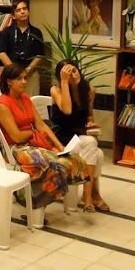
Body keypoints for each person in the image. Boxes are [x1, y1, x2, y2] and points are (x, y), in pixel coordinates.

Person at [0, 64, 89, 209]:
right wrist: (31, 133)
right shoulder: (2, 104)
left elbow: (41, 125)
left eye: (25, 78)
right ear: (8, 81)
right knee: (54, 163)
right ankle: (34, 202)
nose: (24, 82)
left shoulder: (25, 98)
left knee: (72, 159)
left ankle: (41, 201)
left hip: (32, 143)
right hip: (14, 148)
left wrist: (59, 146)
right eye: (19, 79)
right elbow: (17, 137)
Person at [50, 60, 109, 212]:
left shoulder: (89, 89)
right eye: (68, 73)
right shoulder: (56, 90)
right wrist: (64, 82)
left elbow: (89, 115)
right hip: (63, 137)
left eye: (75, 70)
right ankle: (90, 196)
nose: (74, 75)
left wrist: (90, 123)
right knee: (90, 143)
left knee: (99, 154)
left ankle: (90, 194)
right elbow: (67, 110)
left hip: (81, 135)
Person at [0, 0, 45, 95]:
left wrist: (27, 70)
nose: (22, 12)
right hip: (12, 73)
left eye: (24, 9)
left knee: (31, 101)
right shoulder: (7, 32)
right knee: (12, 101)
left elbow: (40, 55)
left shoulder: (36, 32)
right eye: (18, 10)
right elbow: (2, 53)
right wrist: (14, 70)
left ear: (28, 12)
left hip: (30, 74)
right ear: (13, 16)